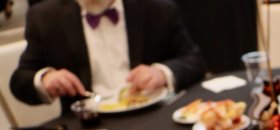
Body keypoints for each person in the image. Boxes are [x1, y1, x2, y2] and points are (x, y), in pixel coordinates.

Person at [9, 0, 205, 107]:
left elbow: (195, 60)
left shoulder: (157, 8)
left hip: (155, 115)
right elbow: (20, 81)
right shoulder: (44, 17)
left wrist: (162, 72)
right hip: (87, 129)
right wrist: (45, 79)